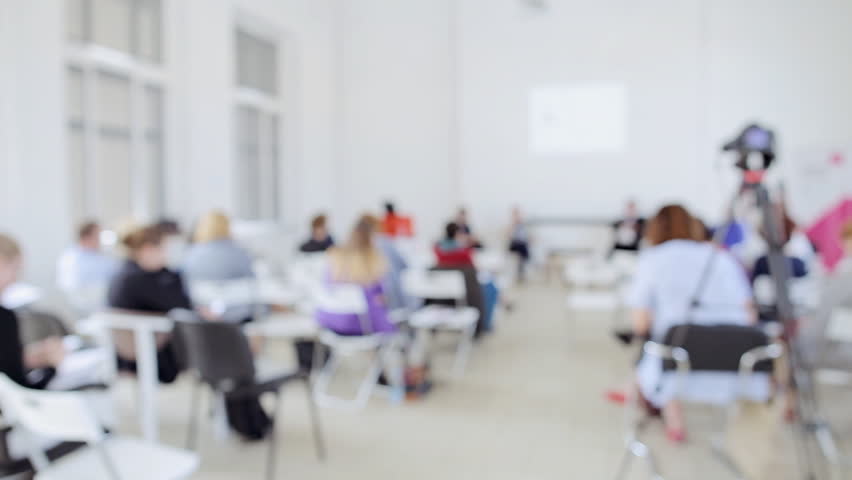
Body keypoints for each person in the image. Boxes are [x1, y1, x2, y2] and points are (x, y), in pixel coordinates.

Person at [625, 204, 768, 443]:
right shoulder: (722, 258)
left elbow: (640, 324)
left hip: (680, 365)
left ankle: (674, 423)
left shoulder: (652, 259)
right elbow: (750, 314)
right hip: (739, 366)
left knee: (657, 350)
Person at [1, 234, 106, 391]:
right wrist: (52, 365)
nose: (15, 279)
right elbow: (23, 390)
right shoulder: (5, 319)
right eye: (15, 268)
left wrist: (26, 359)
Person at [107, 224, 192, 384]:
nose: (166, 255)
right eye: (163, 249)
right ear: (147, 249)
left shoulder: (123, 273)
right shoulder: (138, 280)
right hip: (149, 353)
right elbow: (182, 303)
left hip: (128, 353)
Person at [316, 215, 395, 335]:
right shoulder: (373, 261)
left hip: (330, 323)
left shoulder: (334, 255)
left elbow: (324, 289)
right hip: (361, 326)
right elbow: (382, 298)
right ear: (373, 237)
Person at [182, 210, 255, 282]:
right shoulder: (238, 252)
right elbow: (250, 278)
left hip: (199, 293)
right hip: (234, 292)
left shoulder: (191, 253)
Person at [56, 220, 119, 292]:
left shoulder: (70, 255)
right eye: (97, 236)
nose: (100, 240)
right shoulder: (76, 260)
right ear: (86, 237)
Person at [507, 206, 531, 281]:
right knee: (522, 249)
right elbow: (510, 236)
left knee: (524, 248)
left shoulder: (522, 225)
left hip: (522, 244)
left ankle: (522, 274)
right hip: (515, 244)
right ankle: (520, 274)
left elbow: (525, 236)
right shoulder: (512, 225)